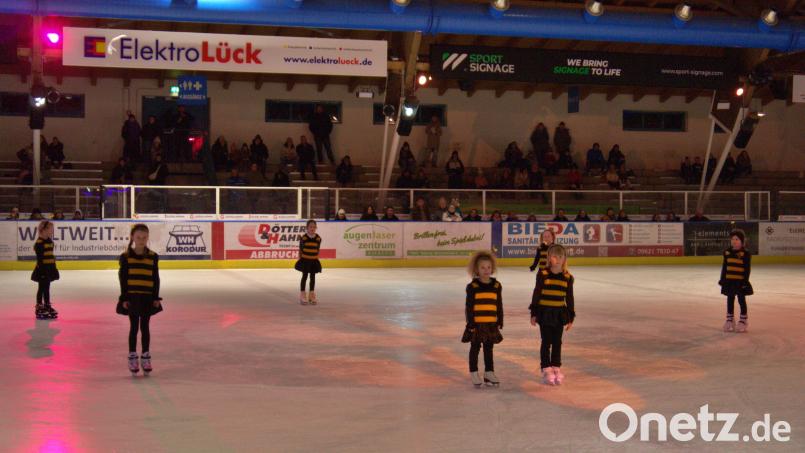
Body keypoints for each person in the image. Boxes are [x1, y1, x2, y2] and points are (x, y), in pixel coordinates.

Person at [116, 224, 162, 374]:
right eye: (138, 237)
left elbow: (156, 278)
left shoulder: (153, 256)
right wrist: (124, 298)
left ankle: (146, 355)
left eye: (144, 237)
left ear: (148, 237)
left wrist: (155, 296)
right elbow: (123, 279)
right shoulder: (126, 257)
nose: (141, 240)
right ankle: (132, 356)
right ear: (133, 238)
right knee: (134, 327)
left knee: (145, 327)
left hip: (147, 297)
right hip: (133, 298)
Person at [529, 244, 575, 385]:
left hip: (559, 314)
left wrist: (570, 317)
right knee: (546, 341)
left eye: (560, 256)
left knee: (557, 342)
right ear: (549, 257)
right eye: (554, 256)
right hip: (545, 313)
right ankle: (546, 368)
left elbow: (569, 298)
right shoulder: (543, 274)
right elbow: (537, 294)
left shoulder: (567, 277)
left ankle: (556, 367)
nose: (557, 259)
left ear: (564, 258)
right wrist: (534, 313)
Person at [461, 251, 503, 387]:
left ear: (492, 268)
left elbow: (498, 304)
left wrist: (500, 319)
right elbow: (469, 307)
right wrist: (471, 323)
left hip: (491, 323)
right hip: (477, 324)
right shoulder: (472, 287)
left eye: (489, 267)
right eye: (483, 268)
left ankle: (489, 372)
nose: (486, 270)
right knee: (475, 348)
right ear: (476, 270)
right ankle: (474, 372)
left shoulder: (497, 286)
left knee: (489, 348)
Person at [719, 229, 753, 333]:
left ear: (742, 241)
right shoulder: (727, 252)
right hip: (729, 281)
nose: (734, 241)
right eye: (732, 239)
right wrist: (722, 279)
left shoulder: (745, 253)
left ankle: (743, 320)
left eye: (737, 239)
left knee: (741, 299)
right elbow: (724, 267)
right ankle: (730, 319)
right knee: (730, 299)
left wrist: (745, 281)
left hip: (740, 281)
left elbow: (747, 269)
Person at [32, 220, 59, 320]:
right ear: (44, 230)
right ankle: (39, 306)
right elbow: (40, 260)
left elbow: (51, 256)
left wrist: (53, 268)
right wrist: (43, 271)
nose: (52, 231)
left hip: (49, 268)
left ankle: (47, 304)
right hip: (42, 269)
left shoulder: (49, 241)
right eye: (51, 229)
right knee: (41, 288)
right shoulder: (39, 243)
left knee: (47, 288)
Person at [294, 219, 322, 305]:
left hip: (314, 260)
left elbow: (317, 249)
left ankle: (311, 294)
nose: (312, 228)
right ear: (307, 228)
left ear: (316, 227)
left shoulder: (318, 238)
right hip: (305, 260)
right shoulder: (304, 238)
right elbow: (301, 249)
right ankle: (303, 294)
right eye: (310, 227)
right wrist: (300, 259)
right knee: (305, 276)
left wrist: (316, 258)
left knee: (313, 277)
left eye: (314, 227)